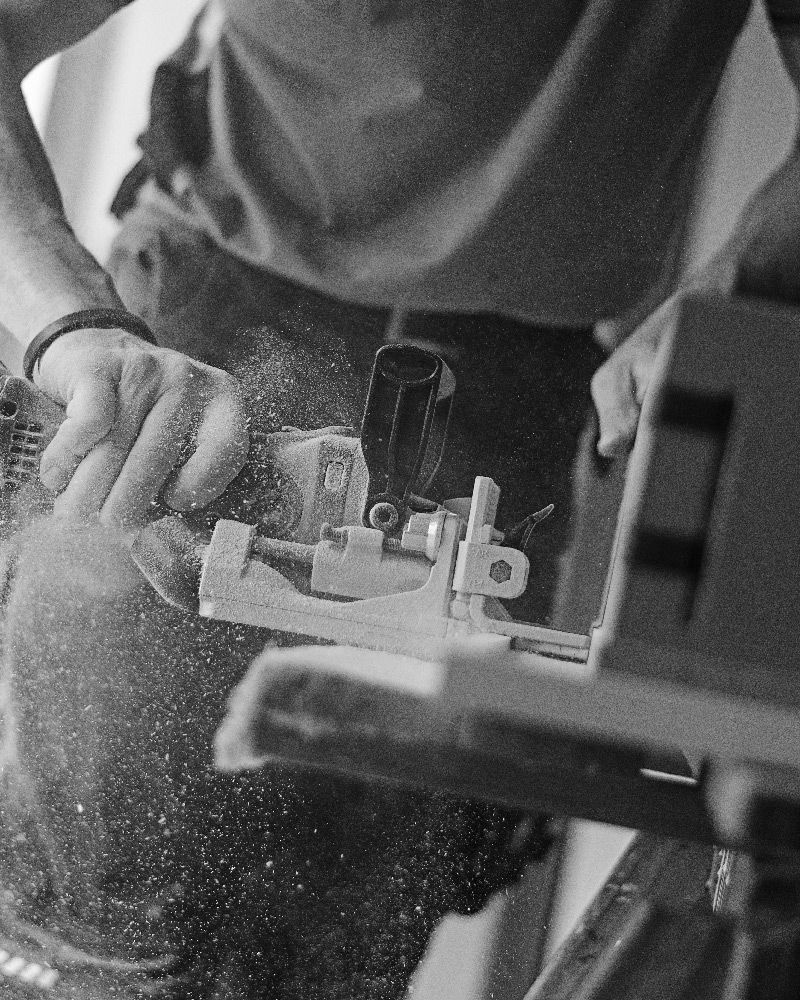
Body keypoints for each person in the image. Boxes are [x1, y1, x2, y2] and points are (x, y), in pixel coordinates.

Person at [0, 1, 798, 997]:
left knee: (338, 944)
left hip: (519, 377)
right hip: (205, 326)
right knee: (87, 931)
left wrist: (734, 283)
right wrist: (73, 328)